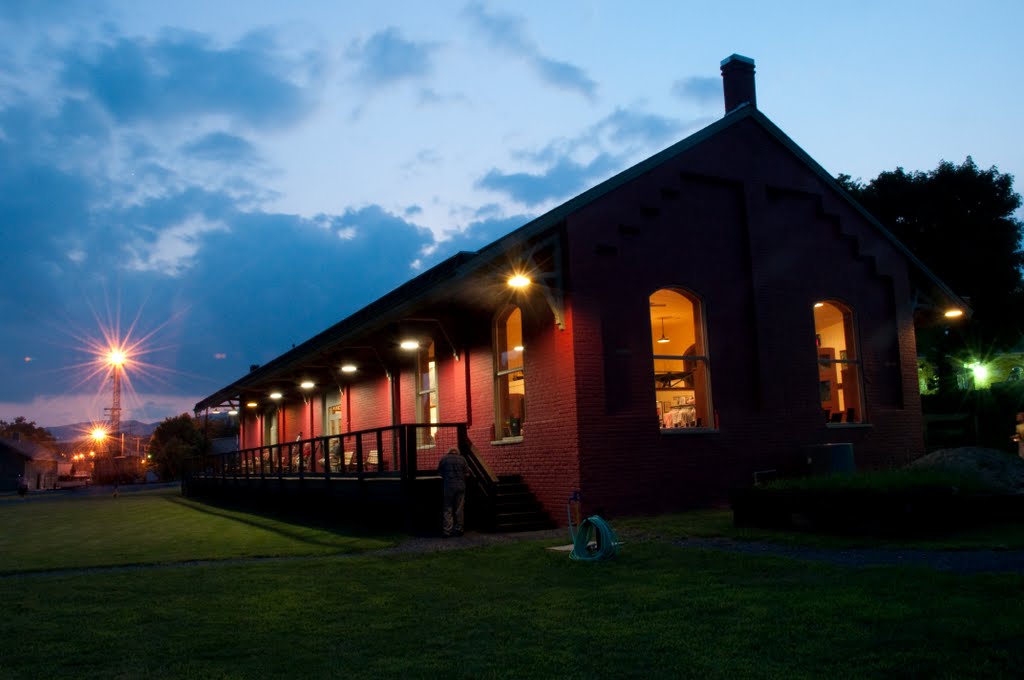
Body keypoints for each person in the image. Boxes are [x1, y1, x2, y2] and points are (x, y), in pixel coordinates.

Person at [437, 447, 469, 537]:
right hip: (460, 486)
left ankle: (447, 530)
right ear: (457, 453)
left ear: (449, 452)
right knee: (459, 508)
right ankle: (459, 529)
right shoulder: (462, 459)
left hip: (448, 486)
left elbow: (439, 472)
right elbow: (467, 473)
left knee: (448, 508)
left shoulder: (444, 459)